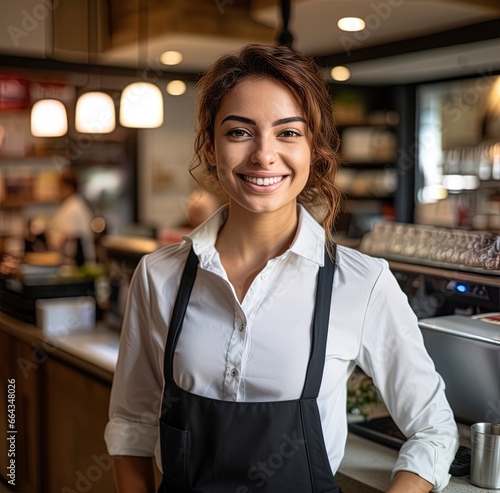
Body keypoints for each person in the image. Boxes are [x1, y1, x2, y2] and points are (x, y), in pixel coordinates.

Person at [105, 44, 459, 493]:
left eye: (288, 133)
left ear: (315, 149)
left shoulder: (362, 283)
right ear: (210, 146)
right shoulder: (159, 276)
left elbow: (433, 429)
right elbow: (131, 424)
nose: (264, 156)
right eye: (239, 132)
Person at [46, 169, 95, 264]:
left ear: (69, 188)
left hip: (77, 262)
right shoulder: (69, 205)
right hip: (70, 260)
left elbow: (71, 237)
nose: (57, 192)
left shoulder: (74, 207)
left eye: (60, 188)